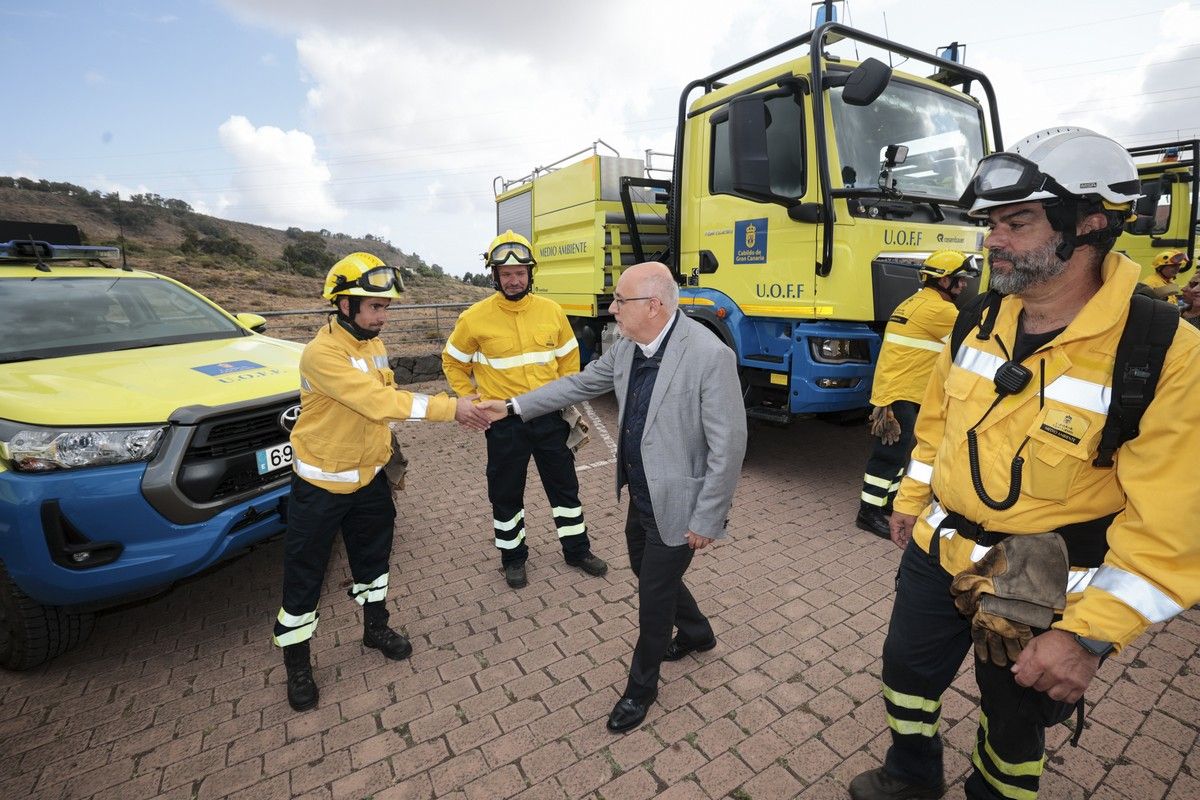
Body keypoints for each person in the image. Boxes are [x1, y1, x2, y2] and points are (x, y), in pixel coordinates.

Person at [849, 127, 1200, 800]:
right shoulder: (975, 319)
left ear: (1090, 224)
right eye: (990, 223)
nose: (992, 240)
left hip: (1042, 577)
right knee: (906, 675)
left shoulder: (1166, 352)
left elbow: (1172, 526)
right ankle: (910, 775)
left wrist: (1088, 639)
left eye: (1017, 221)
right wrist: (908, 502)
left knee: (1012, 721)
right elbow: (940, 427)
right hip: (938, 550)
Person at [480, 262, 746, 733]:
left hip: (679, 503)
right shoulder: (628, 348)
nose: (611, 308)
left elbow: (729, 446)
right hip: (639, 496)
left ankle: (641, 690)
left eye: (620, 301)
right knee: (647, 571)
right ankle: (699, 633)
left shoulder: (708, 354)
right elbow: (578, 384)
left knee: (652, 599)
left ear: (653, 305)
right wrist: (513, 407)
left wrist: (708, 519)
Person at [273, 252, 492, 713]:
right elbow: (376, 401)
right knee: (304, 577)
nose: (383, 316)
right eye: (375, 306)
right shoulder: (322, 354)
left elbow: (385, 397)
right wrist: (453, 408)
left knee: (373, 562)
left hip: (370, 480)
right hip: (321, 487)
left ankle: (375, 628)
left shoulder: (372, 343)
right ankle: (298, 664)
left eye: (387, 307)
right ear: (344, 304)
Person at [442, 230, 607, 590]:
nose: (514, 280)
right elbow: (453, 362)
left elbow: (569, 360)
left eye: (520, 273)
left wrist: (564, 399)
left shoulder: (551, 311)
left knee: (565, 488)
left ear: (531, 274)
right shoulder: (473, 318)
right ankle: (513, 558)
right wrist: (467, 398)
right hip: (503, 422)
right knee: (505, 492)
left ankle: (577, 550)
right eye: (506, 274)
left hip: (549, 417)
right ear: (495, 276)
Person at [856, 251, 976, 538]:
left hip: (897, 390)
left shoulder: (912, 302)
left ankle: (888, 502)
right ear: (945, 280)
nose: (963, 287)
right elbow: (973, 346)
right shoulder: (941, 311)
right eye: (959, 281)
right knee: (889, 455)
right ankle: (868, 511)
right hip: (903, 392)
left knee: (900, 453)